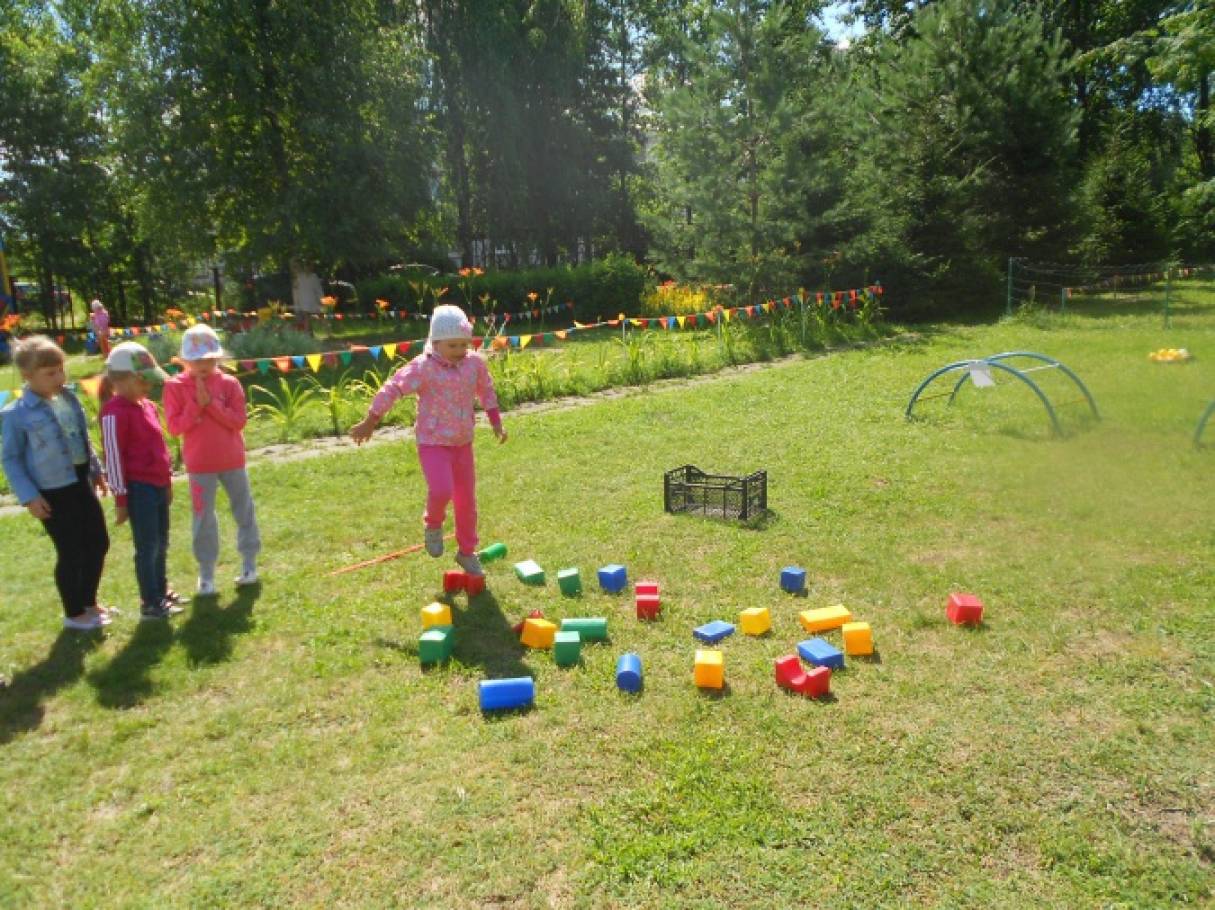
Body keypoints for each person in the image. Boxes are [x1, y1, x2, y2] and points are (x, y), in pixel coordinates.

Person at [350, 304, 507, 576]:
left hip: (462, 444)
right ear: (435, 343)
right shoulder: (423, 368)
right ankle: (433, 524)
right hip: (433, 443)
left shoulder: (474, 364)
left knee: (466, 501)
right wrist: (371, 419)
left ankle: (467, 552)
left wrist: (496, 422)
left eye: (464, 344)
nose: (460, 351)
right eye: (453, 346)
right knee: (442, 489)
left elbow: (487, 391)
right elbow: (394, 387)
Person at [1, 336, 111, 630]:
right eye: (50, 373)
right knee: (72, 549)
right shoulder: (16, 414)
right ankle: (74, 613)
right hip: (51, 492)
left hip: (79, 482)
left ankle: (89, 601)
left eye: (61, 370)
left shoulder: (69, 400)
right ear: (27, 376)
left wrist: (96, 470)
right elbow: (10, 459)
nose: (59, 377)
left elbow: (81, 439)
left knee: (98, 542)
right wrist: (29, 497)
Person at [163, 324, 261, 594]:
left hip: (231, 460)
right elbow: (174, 427)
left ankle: (249, 563)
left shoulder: (230, 383)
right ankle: (206, 573)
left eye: (208, 359)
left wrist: (212, 405)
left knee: (244, 510)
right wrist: (197, 404)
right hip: (199, 465)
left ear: (218, 358)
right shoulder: (174, 387)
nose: (203, 365)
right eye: (196, 360)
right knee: (202, 518)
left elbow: (238, 421)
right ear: (184, 361)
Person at [99, 342, 183, 621]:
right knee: (147, 547)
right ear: (120, 380)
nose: (148, 386)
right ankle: (150, 600)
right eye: (142, 380)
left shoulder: (146, 406)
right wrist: (121, 499)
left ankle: (161, 588)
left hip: (158, 486)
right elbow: (113, 459)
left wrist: (167, 482)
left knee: (162, 541)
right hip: (139, 490)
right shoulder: (113, 413)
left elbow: (159, 447)